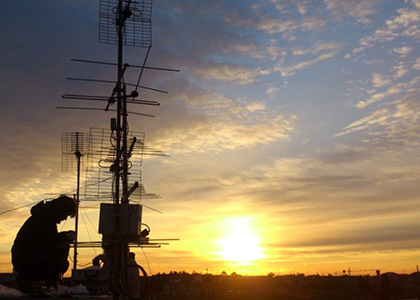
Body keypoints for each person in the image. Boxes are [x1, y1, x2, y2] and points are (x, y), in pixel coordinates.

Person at [11, 195, 77, 293]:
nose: (64, 219)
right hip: (26, 259)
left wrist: (64, 237)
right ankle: (28, 279)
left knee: (60, 255)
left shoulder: (44, 216)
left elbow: (47, 240)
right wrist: (66, 237)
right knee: (60, 263)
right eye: (65, 215)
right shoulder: (45, 218)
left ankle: (47, 283)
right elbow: (49, 241)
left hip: (24, 257)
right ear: (60, 210)